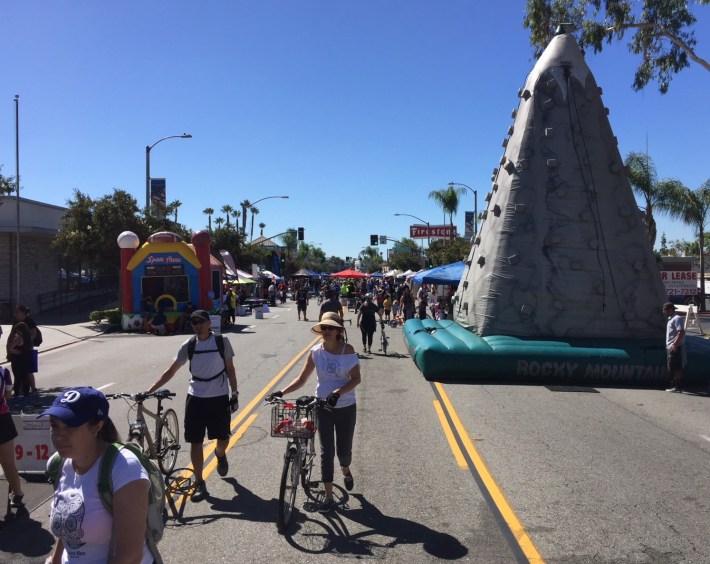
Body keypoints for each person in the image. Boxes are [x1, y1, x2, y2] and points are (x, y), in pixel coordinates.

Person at [41, 387, 152, 563]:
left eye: (70, 426)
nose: (58, 436)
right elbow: (69, 522)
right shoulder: (58, 464)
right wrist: (55, 560)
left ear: (97, 427)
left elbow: (131, 555)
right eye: (54, 425)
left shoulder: (124, 468)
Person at [266, 312, 360, 513]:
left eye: (331, 328)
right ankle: (328, 498)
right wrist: (281, 391)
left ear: (338, 331)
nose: (326, 331)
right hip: (322, 406)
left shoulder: (347, 350)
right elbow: (301, 379)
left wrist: (338, 392)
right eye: (324, 328)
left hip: (345, 407)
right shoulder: (315, 352)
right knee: (327, 451)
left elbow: (356, 379)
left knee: (343, 452)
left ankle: (346, 469)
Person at [146, 310, 238, 501]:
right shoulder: (188, 345)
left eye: (200, 322)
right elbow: (171, 371)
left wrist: (234, 393)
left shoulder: (222, 342)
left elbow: (230, 368)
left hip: (219, 396)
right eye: (194, 322)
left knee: (223, 439)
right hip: (195, 396)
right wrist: (150, 390)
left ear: (208, 324)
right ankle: (199, 482)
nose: (197, 325)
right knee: (195, 440)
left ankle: (220, 454)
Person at [0, 365, 24, 509]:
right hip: (3, 420)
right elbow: (8, 395)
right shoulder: (4, 372)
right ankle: (17, 494)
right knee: (8, 462)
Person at [14, 306, 38, 394]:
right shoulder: (16, 321)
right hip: (17, 348)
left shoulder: (30, 321)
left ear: (23, 312)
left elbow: (33, 335)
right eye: (15, 312)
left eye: (17, 312)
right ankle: (20, 388)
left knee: (28, 370)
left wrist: (22, 338)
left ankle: (33, 388)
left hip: (27, 348)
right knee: (19, 369)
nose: (16, 314)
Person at [663, 302, 685, 393]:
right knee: (675, 366)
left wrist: (674, 344)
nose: (663, 312)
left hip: (675, 347)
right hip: (671, 346)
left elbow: (681, 332)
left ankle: (677, 387)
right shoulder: (670, 319)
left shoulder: (677, 318)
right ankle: (677, 386)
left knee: (675, 367)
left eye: (664, 310)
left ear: (669, 309)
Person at [6, 322, 33, 397]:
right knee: (25, 377)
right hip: (26, 359)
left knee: (17, 377)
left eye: (17, 330)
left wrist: (17, 353)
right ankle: (26, 394)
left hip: (17, 361)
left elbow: (10, 348)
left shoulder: (17, 338)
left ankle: (16, 394)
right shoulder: (28, 338)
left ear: (19, 330)